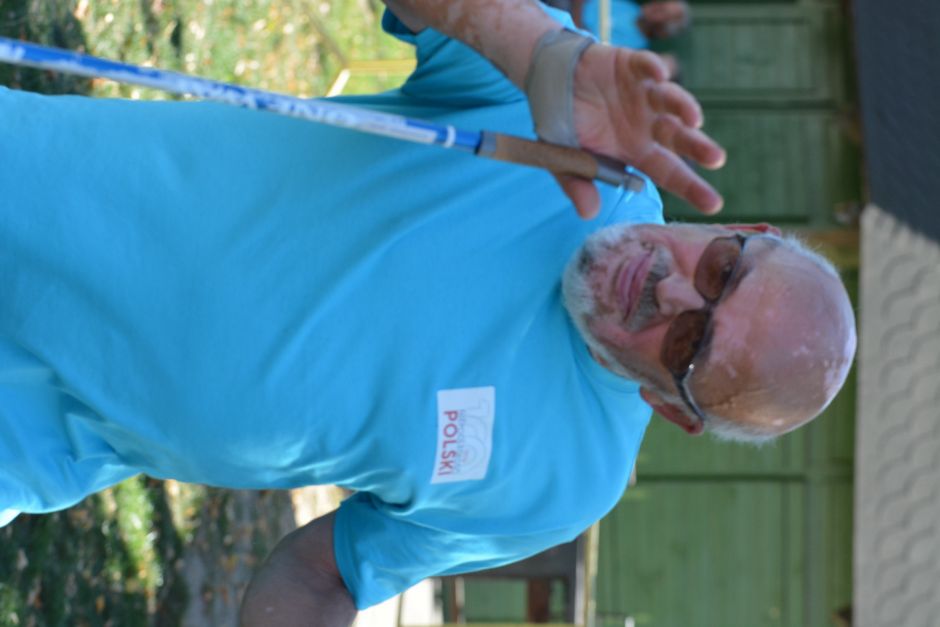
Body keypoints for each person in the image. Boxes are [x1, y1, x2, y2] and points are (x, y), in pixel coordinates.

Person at [0, 2, 855, 626]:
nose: (670, 290)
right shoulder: (579, 135)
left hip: (25, 442)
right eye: (720, 269)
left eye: (692, 341)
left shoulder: (567, 483)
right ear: (746, 229)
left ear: (675, 408)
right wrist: (537, 51)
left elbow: (326, 573)